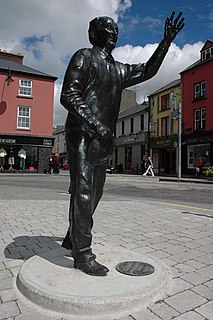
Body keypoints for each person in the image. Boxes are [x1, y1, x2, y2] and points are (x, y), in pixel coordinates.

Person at [60, 12, 185, 276]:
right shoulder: (84, 56)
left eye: (116, 28)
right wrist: (95, 123)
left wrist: (166, 42)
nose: (114, 31)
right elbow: (68, 94)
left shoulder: (118, 70)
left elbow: (148, 70)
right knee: (82, 188)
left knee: (95, 191)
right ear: (94, 34)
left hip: (102, 138)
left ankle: (73, 236)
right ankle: (82, 254)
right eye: (108, 27)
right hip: (82, 132)